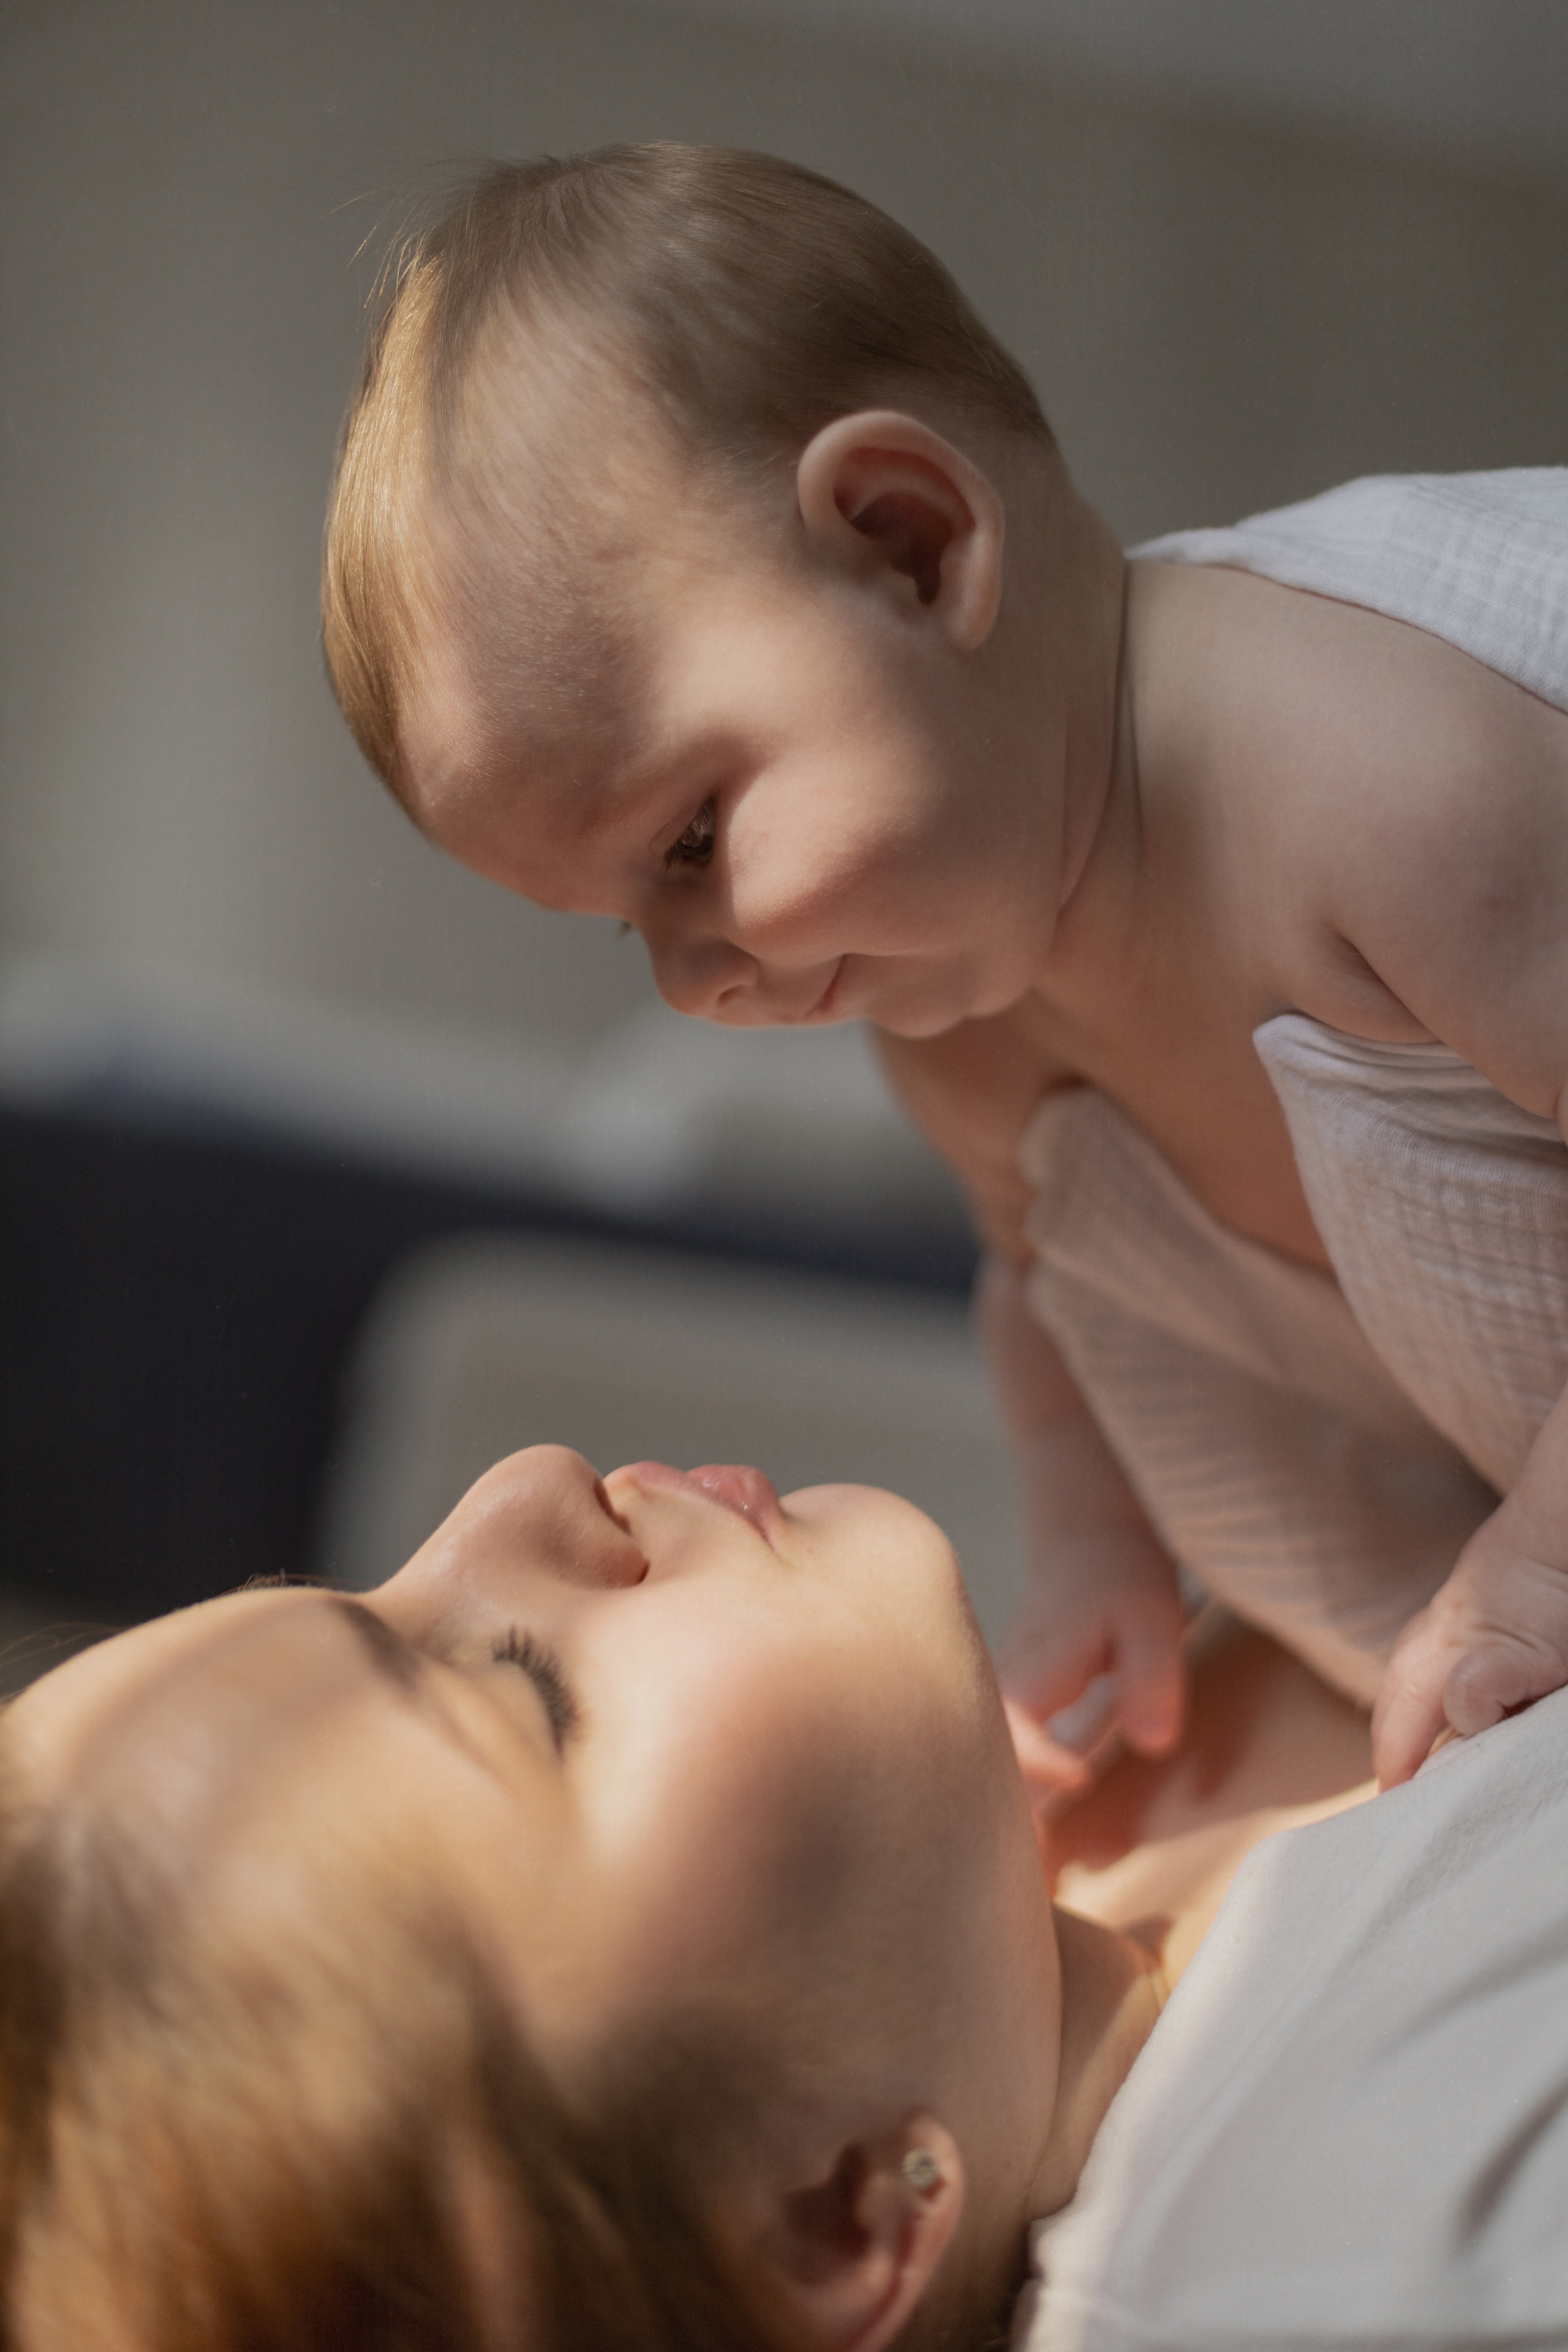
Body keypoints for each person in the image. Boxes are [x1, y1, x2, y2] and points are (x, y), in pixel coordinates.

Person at [318, 144, 1568, 1793]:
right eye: (634, 926)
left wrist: (1539, 1573)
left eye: (691, 845)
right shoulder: (966, 1036)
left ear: (911, 545)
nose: (695, 984)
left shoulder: (1381, 784)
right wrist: (1098, 1549)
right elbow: (1059, 1308)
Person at [3, 1449, 1566, 2350]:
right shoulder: (1379, 2233)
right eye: (519, 1691)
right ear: (840, 2219)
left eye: (348, 1588)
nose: (521, 1488)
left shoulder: (1023, 1899)